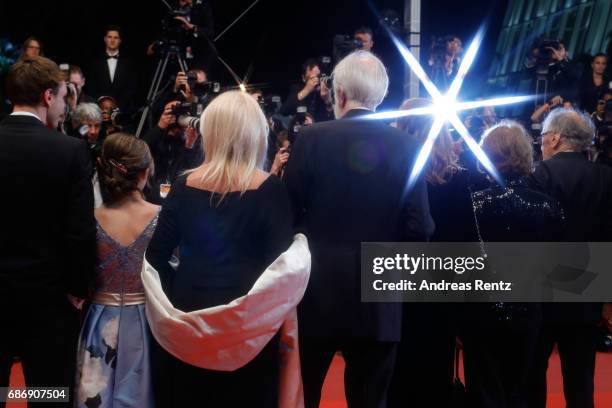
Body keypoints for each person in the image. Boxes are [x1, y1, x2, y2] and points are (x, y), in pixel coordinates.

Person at [284, 51, 434, 408]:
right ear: (381, 98)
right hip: (379, 294)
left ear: (339, 94)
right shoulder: (409, 147)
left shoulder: (310, 138)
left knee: (304, 396)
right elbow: (420, 227)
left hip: (316, 290)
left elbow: (286, 215)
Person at [145, 90, 294, 406]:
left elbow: (155, 258)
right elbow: (281, 269)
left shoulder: (184, 185)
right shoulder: (271, 190)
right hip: (249, 326)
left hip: (189, 318)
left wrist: (180, 295)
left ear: (209, 132)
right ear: (256, 134)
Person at [0, 56, 96, 407]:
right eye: (61, 96)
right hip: (50, 301)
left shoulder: (69, 149)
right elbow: (81, 232)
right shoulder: (70, 150)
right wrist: (77, 287)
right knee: (48, 395)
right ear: (47, 96)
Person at [460, 121, 564, 407]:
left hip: (480, 313)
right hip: (530, 313)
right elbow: (559, 268)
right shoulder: (547, 206)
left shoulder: (472, 204)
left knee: (484, 392)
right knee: (523, 390)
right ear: (525, 154)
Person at [388, 98, 476, 408]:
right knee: (435, 376)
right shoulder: (462, 180)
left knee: (399, 375)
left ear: (406, 126)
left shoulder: (393, 176)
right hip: (443, 289)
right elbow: (468, 245)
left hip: (400, 287)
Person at [528, 108, 612, 408]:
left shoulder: (539, 174)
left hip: (542, 290)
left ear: (556, 137)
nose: (540, 143)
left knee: (533, 374)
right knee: (580, 379)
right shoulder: (605, 177)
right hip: (588, 290)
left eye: (542, 137)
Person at [76, 133, 158, 408]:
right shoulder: (162, 216)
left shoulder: (91, 217)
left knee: (93, 392)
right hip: (145, 325)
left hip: (98, 321)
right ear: (145, 171)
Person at [142, 100, 203, 205]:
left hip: (179, 198)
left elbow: (192, 169)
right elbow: (141, 151)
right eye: (171, 112)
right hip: (150, 197)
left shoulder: (192, 140)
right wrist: (160, 128)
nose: (176, 116)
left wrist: (189, 145)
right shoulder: (156, 137)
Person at [86, 26, 138, 114]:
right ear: (105, 39)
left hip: (123, 111)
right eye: (110, 37)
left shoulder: (130, 63)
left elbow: (131, 87)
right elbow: (90, 86)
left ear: (120, 40)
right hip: (98, 110)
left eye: (116, 37)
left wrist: (118, 107)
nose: (112, 40)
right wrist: (102, 104)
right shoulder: (94, 62)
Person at [279, 58, 333, 122]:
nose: (316, 81)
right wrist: (306, 90)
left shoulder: (326, 88)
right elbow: (283, 111)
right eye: (311, 78)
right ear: (304, 78)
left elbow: (335, 118)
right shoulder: (297, 88)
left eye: (318, 77)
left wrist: (328, 101)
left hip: (321, 127)